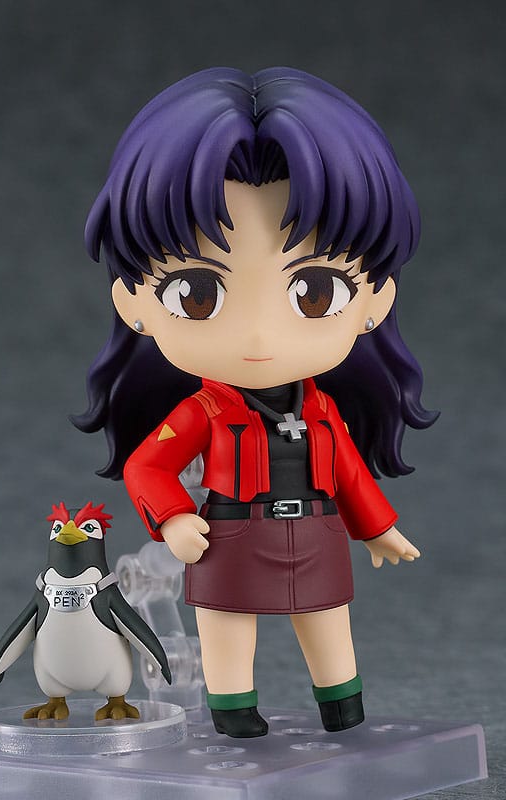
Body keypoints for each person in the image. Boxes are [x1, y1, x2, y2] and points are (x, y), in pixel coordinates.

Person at [73, 67, 437, 738]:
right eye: (197, 293)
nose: (261, 337)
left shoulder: (320, 408)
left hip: (318, 528)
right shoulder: (203, 413)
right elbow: (149, 467)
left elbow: (349, 472)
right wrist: (174, 519)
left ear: (375, 301)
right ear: (133, 303)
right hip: (232, 532)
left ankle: (342, 706)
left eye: (316, 292)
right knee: (226, 623)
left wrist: (376, 526)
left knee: (327, 619)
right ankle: (234, 711)